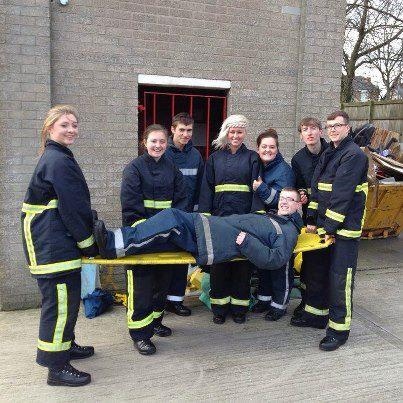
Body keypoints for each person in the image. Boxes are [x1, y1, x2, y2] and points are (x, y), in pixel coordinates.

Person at [21, 105, 98, 387]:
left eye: (75, 125)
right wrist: (88, 243)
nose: (71, 130)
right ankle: (57, 367)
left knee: (67, 300)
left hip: (53, 242)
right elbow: (73, 207)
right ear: (50, 128)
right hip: (53, 246)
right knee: (60, 305)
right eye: (65, 124)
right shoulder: (58, 160)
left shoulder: (57, 156)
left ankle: (66, 345)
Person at [94, 188, 303, 283]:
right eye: (282, 198)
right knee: (161, 235)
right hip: (205, 227)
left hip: (209, 240)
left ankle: (111, 244)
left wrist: (247, 243)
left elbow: (275, 259)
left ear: (298, 205)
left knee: (170, 219)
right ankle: (105, 244)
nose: (284, 202)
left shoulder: (287, 230)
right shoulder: (273, 218)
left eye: (290, 199)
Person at [302, 110, 368, 351]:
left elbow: (341, 196)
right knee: (317, 272)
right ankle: (315, 315)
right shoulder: (330, 152)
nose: (333, 129)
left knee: (340, 279)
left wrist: (328, 227)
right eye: (329, 126)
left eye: (338, 125)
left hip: (344, 230)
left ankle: (339, 330)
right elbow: (318, 188)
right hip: (324, 228)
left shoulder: (353, 155)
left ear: (347, 128)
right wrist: (312, 217)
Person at [120, 124, 188, 356]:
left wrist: (171, 230)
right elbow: (130, 207)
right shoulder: (134, 169)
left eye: (162, 142)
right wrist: (147, 232)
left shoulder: (173, 169)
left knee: (162, 283)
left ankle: (156, 321)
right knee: (141, 288)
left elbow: (181, 202)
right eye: (153, 141)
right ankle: (140, 335)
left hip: (166, 240)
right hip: (141, 239)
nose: (158, 145)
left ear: (167, 143)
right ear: (144, 142)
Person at [198, 115, 263, 325]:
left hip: (244, 220)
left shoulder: (253, 158)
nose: (235, 136)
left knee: (242, 267)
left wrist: (255, 218)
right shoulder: (214, 159)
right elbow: (206, 189)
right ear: (226, 133)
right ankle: (219, 308)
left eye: (240, 132)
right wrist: (207, 217)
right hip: (219, 220)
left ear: (245, 134)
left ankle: (239, 309)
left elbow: (257, 191)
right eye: (232, 132)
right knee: (220, 265)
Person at [251, 129, 296, 321]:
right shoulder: (259, 166)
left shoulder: (284, 170)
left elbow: (283, 201)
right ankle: (264, 299)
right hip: (267, 223)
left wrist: (261, 189)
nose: (268, 150)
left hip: (285, 224)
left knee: (281, 267)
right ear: (258, 148)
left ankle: (280, 305)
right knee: (264, 263)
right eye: (264, 147)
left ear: (277, 149)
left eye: (272, 147)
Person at [164, 112, 204, 317]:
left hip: (187, 215)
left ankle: (176, 301)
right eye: (182, 130)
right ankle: (160, 300)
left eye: (189, 130)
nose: (186, 134)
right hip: (166, 215)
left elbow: (200, 186)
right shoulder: (163, 152)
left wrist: (197, 214)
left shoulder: (195, 155)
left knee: (181, 259)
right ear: (172, 129)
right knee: (163, 259)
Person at [290, 117, 328, 321]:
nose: (310, 133)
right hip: (310, 219)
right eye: (305, 129)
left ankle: (322, 303)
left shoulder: (332, 154)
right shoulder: (298, 159)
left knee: (326, 262)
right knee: (310, 261)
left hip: (331, 216)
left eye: (313, 128)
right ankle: (307, 302)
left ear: (321, 132)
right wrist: (302, 193)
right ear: (301, 135)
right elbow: (298, 185)